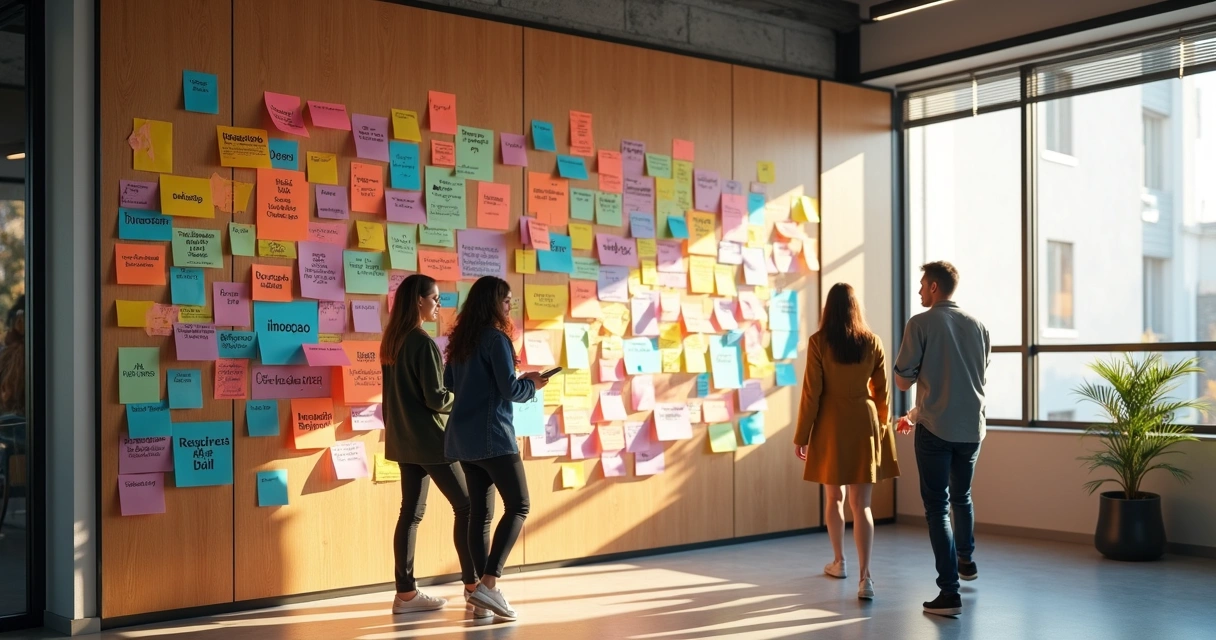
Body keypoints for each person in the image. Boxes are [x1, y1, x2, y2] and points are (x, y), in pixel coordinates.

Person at [442, 276, 548, 621]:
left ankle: (477, 597)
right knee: (519, 505)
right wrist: (532, 385)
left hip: (463, 440)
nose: (509, 306)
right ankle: (489, 584)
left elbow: (450, 383)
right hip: (493, 437)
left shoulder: (462, 340)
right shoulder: (496, 338)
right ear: (492, 304)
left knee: (480, 515)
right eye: (505, 300)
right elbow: (509, 391)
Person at [893, 261, 990, 617]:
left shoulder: (920, 323)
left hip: (935, 428)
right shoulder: (979, 326)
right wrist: (913, 414)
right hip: (972, 430)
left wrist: (916, 374)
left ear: (934, 287)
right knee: (961, 496)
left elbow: (903, 380)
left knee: (937, 507)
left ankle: (949, 593)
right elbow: (968, 379)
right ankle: (966, 560)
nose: (919, 291)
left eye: (922, 285)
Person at [379, 275, 481, 616]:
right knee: (468, 507)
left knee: (410, 514)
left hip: (403, 441)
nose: (439, 304)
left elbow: (393, 400)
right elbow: (437, 398)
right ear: (418, 301)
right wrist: (465, 396)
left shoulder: (392, 341)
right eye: (435, 298)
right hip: (431, 442)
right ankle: (475, 587)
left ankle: (406, 593)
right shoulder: (422, 343)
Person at [793, 283, 899, 601]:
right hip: (864, 421)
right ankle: (866, 578)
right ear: (856, 308)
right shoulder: (872, 341)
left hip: (830, 423)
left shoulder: (818, 342)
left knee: (833, 498)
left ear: (828, 309)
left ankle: (839, 562)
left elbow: (811, 393)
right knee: (862, 504)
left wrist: (802, 435)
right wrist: (883, 427)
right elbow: (882, 392)